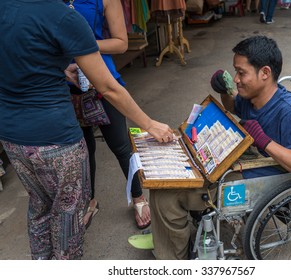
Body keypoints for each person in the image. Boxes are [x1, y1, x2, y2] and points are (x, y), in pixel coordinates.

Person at [0, 0, 173, 260]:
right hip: (56, 139)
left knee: (39, 207)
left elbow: (25, 56)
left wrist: (55, 68)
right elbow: (108, 87)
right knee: (68, 217)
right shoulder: (63, 17)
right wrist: (149, 124)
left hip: (13, 137)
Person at [150, 35, 291, 259]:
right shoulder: (254, 96)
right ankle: (173, 234)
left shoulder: (290, 113)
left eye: (241, 73)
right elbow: (233, 105)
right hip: (245, 158)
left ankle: (174, 259)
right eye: (235, 72)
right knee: (179, 160)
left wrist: (265, 141)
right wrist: (223, 89)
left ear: (265, 73)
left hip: (262, 175)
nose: (236, 79)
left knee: (166, 196)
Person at [64, 0, 151, 230]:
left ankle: (138, 198)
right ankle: (90, 200)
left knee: (121, 146)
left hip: (103, 82)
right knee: (83, 150)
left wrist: (82, 45)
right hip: (67, 85)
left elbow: (121, 44)